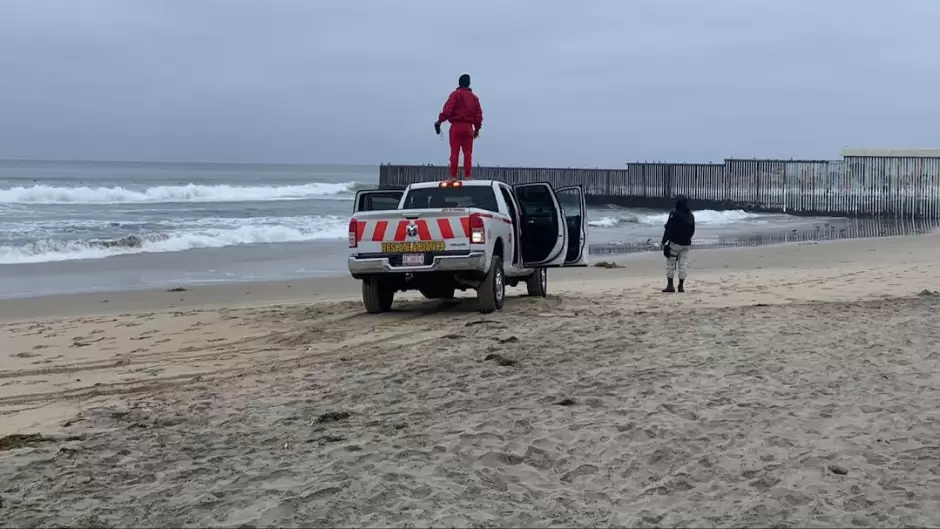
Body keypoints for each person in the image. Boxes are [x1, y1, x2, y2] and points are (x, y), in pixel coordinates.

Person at [434, 73, 483, 179]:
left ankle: (453, 176)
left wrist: (439, 121)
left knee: (454, 152)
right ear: (469, 84)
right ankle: (468, 176)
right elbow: (478, 116)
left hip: (456, 127)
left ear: (459, 83)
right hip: (469, 128)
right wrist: (477, 129)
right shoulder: (474, 98)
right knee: (468, 153)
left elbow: (447, 110)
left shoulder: (455, 95)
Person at [661, 195, 695, 293]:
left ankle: (670, 285)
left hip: (675, 243)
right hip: (686, 243)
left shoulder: (674, 213)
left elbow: (669, 228)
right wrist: (688, 240)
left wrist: (664, 241)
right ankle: (681, 286)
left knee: (670, 263)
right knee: (683, 264)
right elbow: (693, 230)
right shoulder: (690, 215)